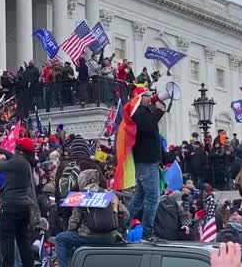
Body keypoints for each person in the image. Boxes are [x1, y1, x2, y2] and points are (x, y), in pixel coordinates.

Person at [55, 169, 128, 267]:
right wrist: (118, 230)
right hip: (110, 237)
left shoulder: (81, 196)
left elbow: (73, 222)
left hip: (89, 237)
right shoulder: (110, 194)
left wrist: (72, 230)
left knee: (60, 238)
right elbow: (126, 215)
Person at [127, 87, 165, 239]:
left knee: (139, 198)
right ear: (139, 98)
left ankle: (122, 222)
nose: (151, 98)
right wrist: (158, 110)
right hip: (146, 161)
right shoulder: (139, 112)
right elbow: (148, 128)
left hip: (147, 161)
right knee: (153, 198)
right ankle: (147, 232)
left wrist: (158, 111)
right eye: (147, 95)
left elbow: (150, 126)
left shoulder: (144, 112)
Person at [0, 137, 38, 267]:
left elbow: (0, 166)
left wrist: (0, 158)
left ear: (21, 151)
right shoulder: (24, 162)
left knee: (7, 240)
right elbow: (10, 155)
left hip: (11, 207)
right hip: (22, 208)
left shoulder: (19, 162)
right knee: (23, 240)